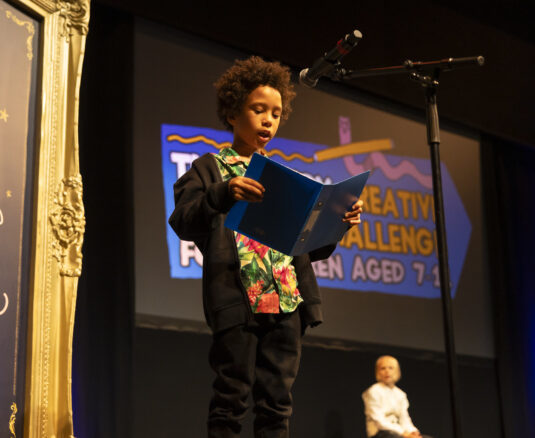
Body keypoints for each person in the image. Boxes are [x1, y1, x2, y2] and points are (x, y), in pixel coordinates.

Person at [168, 56, 364, 438]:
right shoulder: (209, 168)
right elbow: (184, 221)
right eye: (258, 110)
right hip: (237, 298)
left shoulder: (280, 176)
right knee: (231, 398)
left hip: (286, 300)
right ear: (232, 112)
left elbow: (306, 246)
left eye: (275, 113)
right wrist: (223, 192)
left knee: (277, 406)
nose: (268, 120)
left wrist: (337, 225)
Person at [362, 355, 433, 438]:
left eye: (391, 368)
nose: (387, 371)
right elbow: (379, 420)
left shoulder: (400, 394)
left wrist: (412, 431)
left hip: (399, 433)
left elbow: (404, 418)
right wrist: (403, 432)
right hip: (381, 433)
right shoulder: (373, 391)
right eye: (383, 368)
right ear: (378, 371)